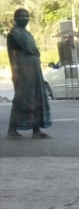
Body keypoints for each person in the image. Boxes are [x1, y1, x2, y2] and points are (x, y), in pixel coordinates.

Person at [6, 8, 52, 139]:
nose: (25, 19)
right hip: (23, 71)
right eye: (21, 16)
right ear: (15, 18)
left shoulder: (27, 33)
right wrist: (15, 73)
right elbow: (13, 55)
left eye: (27, 16)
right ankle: (12, 128)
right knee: (22, 99)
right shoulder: (14, 34)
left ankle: (36, 129)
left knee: (37, 98)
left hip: (35, 70)